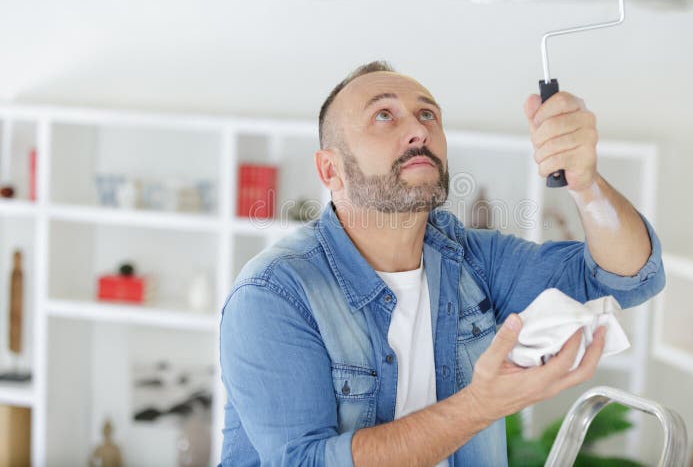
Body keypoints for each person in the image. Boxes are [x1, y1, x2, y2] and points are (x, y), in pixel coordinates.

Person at [219, 61, 665, 466]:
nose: (418, 130)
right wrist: (481, 405)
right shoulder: (275, 293)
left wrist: (585, 185)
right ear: (330, 171)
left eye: (427, 114)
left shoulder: (471, 261)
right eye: (384, 115)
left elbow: (627, 279)